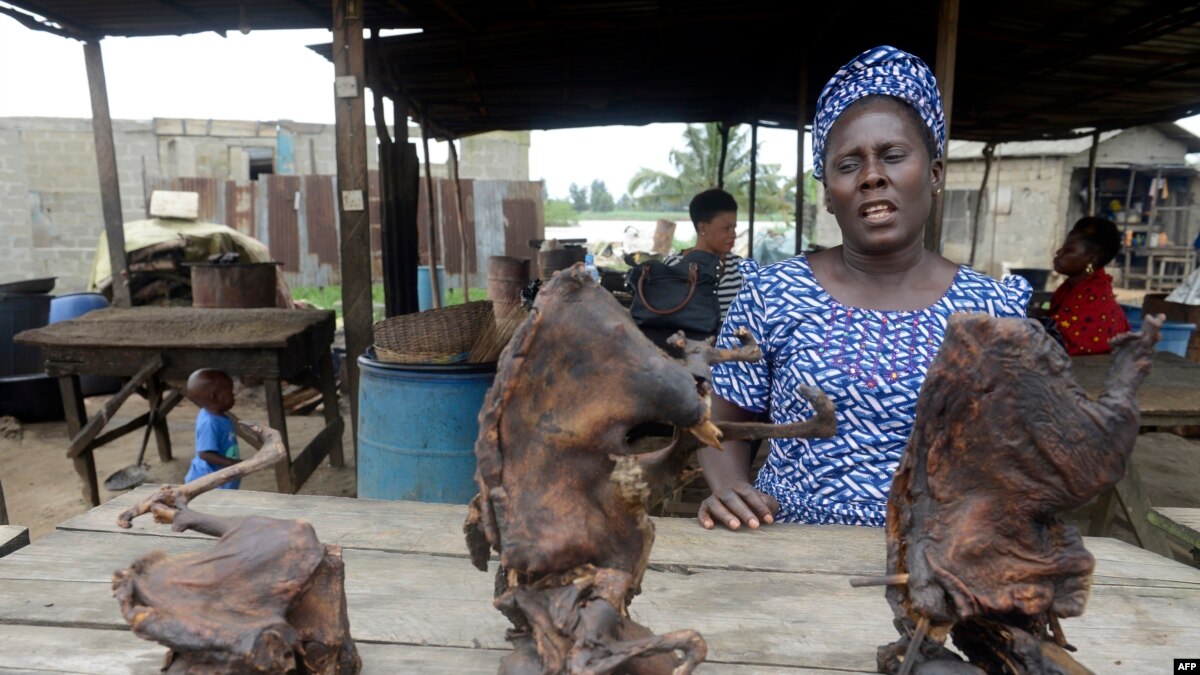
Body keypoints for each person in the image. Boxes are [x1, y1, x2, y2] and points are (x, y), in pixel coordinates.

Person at [697, 45, 1032, 530]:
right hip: (786, 556)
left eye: (893, 156)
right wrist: (731, 492)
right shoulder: (773, 294)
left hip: (939, 560)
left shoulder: (990, 309)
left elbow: (1020, 454)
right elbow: (720, 424)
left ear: (935, 174)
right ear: (829, 193)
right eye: (849, 164)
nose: (872, 176)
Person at [1044, 217, 1130, 355]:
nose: (1059, 253)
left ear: (1091, 259)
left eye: (1068, 249)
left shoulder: (1094, 300)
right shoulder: (1071, 289)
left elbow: (1058, 345)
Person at [662, 188, 745, 324]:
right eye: (726, 228)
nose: (733, 234)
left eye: (734, 228)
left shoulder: (740, 270)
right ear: (703, 228)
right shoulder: (673, 266)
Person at [184, 368, 242, 489]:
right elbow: (205, 454)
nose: (233, 394)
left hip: (221, 480)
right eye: (229, 392)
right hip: (208, 483)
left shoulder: (218, 416)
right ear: (214, 397)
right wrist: (234, 464)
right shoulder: (210, 422)